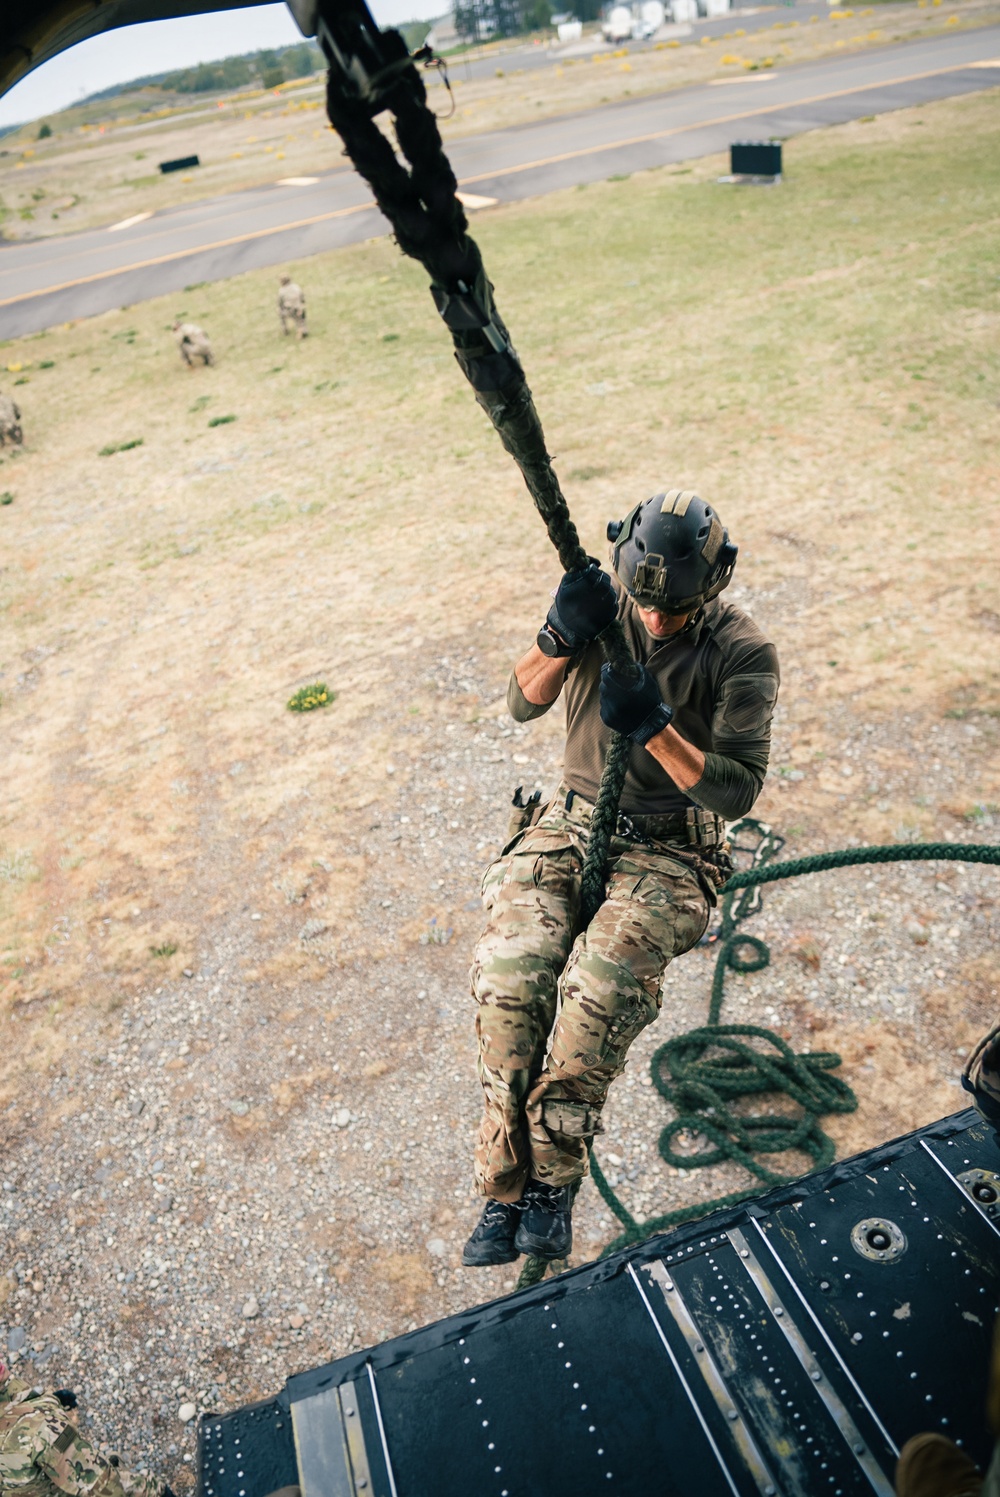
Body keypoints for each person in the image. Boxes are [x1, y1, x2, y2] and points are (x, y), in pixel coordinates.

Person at [463, 489, 779, 1267]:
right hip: (569, 823)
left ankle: (553, 1182)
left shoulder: (743, 651)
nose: (657, 621)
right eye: (647, 604)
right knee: (510, 980)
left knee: (596, 991)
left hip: (671, 850)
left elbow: (737, 789)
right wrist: (558, 634)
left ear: (718, 579)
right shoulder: (605, 610)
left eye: (675, 609)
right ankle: (505, 1183)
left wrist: (656, 728)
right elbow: (519, 702)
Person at [0, 1357, 173, 1496]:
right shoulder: (42, 1432)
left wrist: (49, 1402)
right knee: (114, 1464)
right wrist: (157, 1491)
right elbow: (108, 1488)